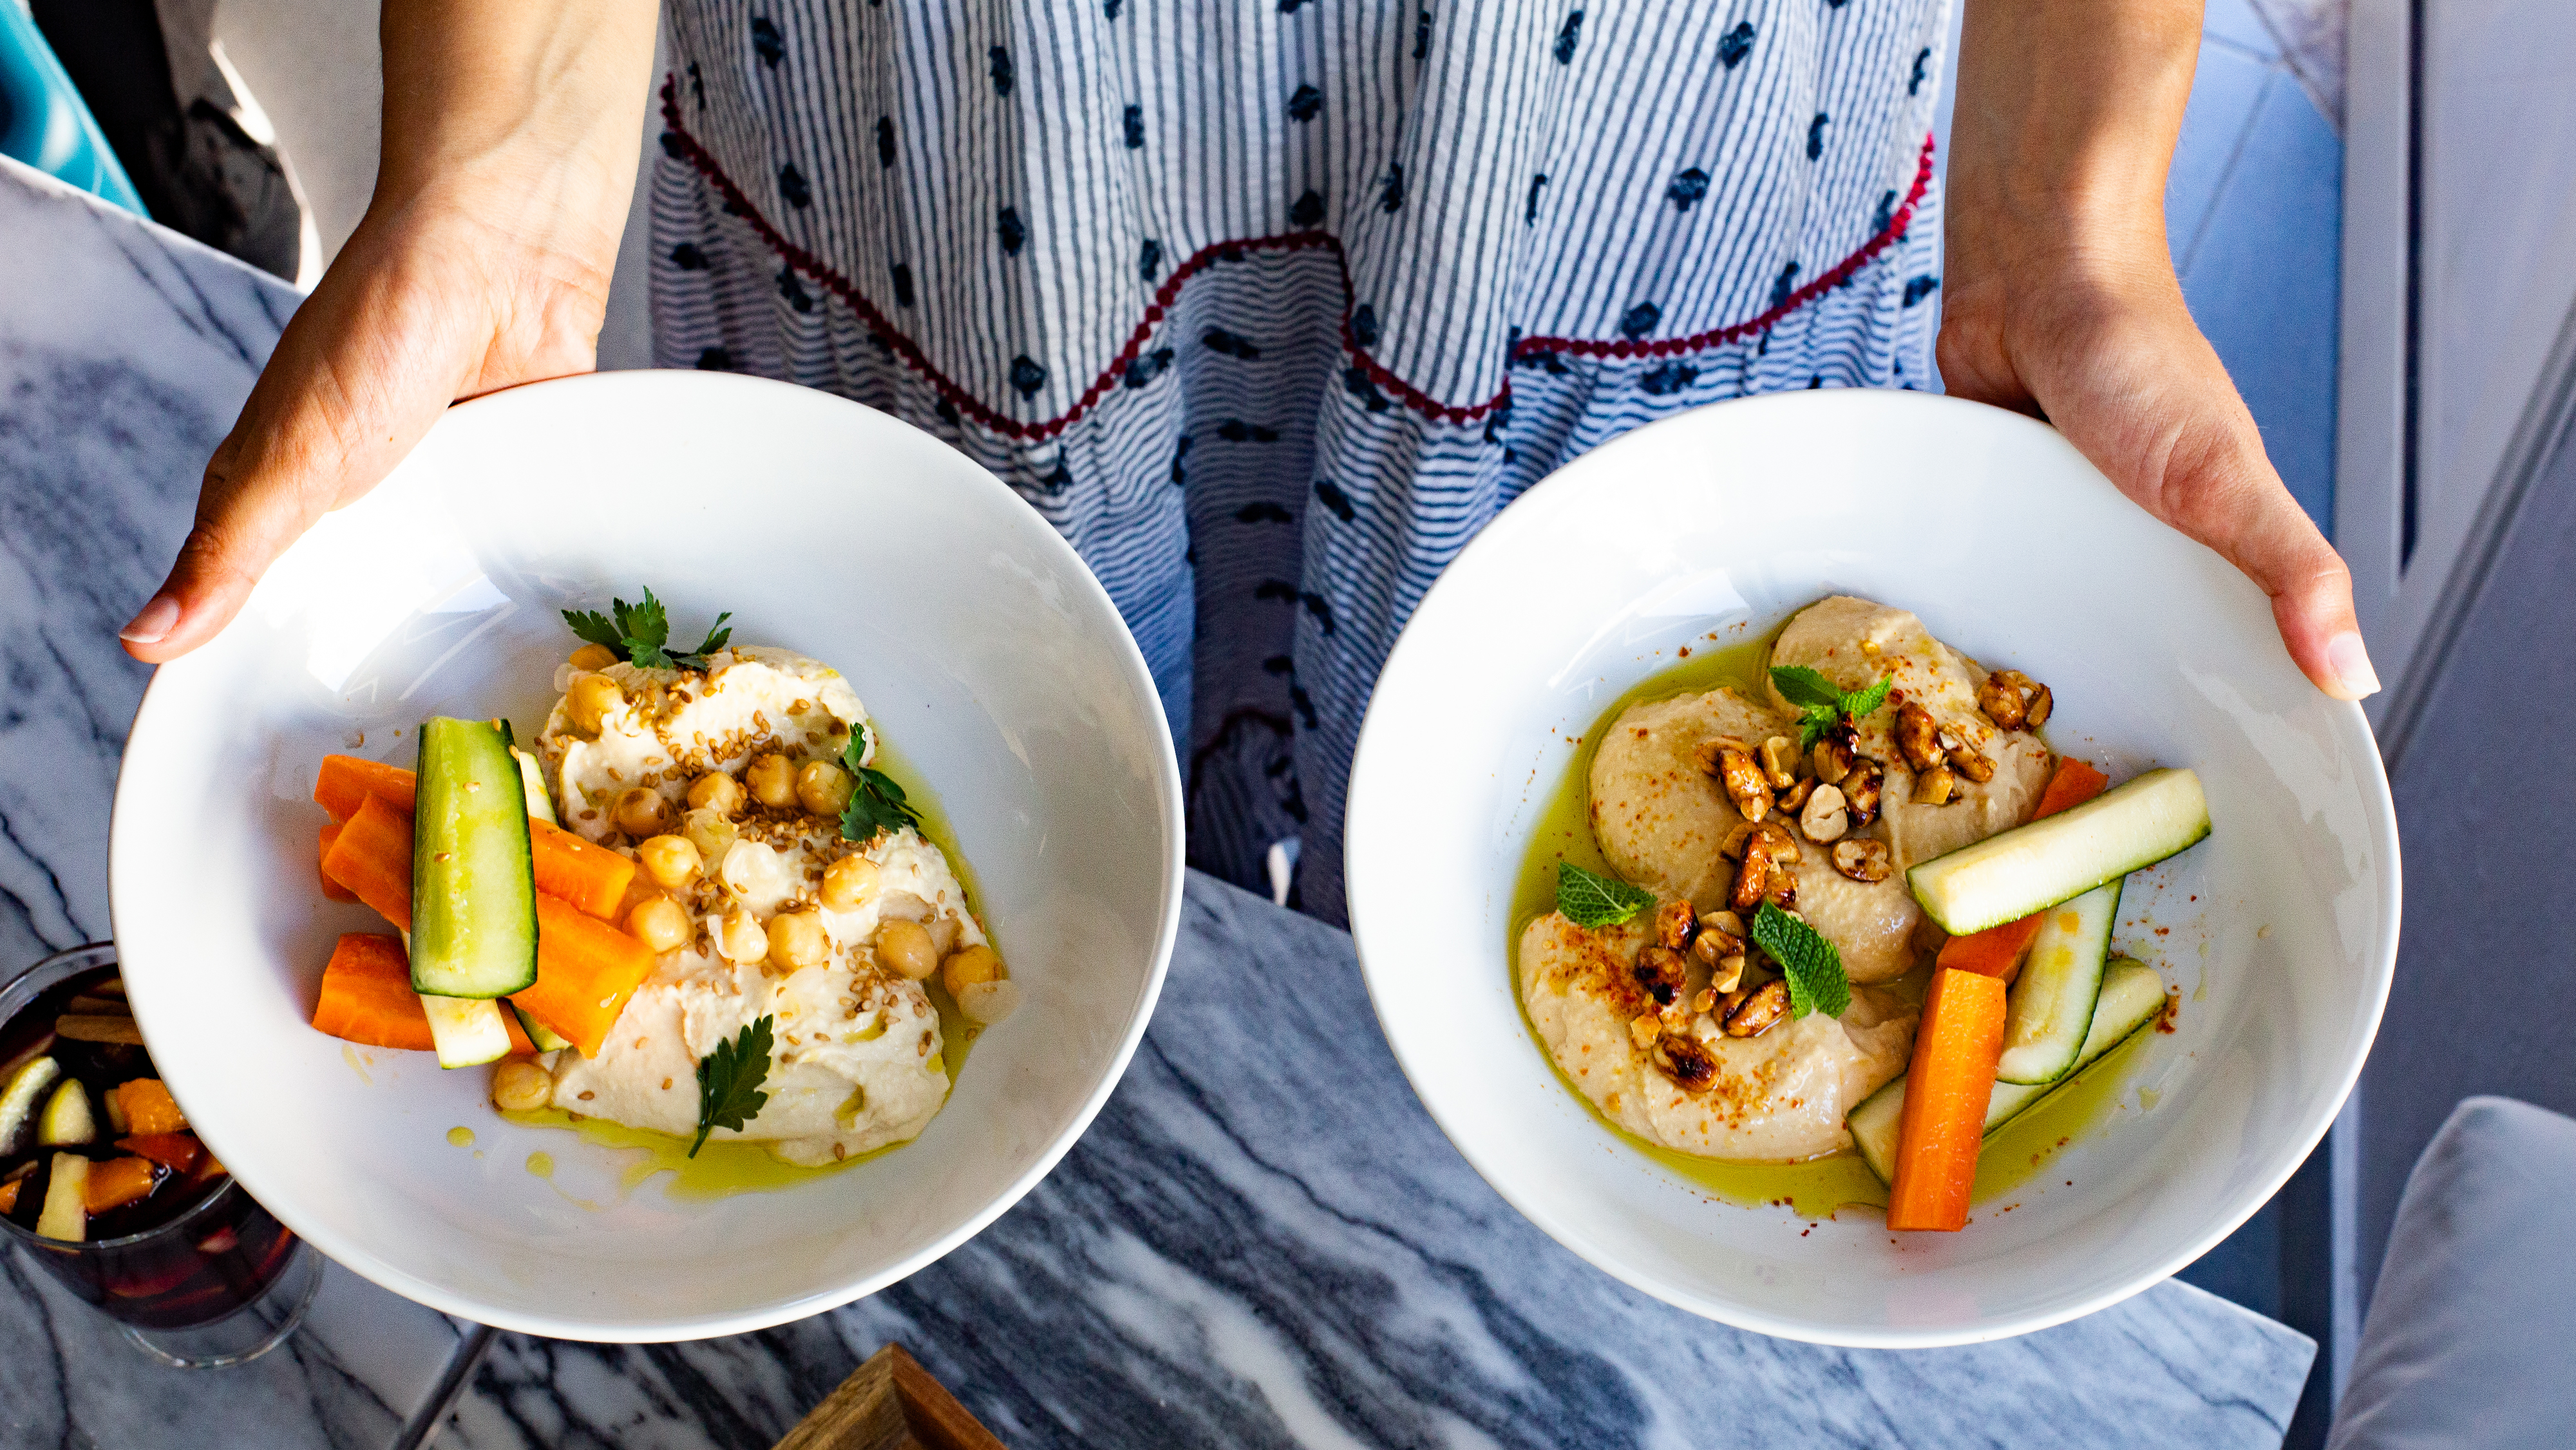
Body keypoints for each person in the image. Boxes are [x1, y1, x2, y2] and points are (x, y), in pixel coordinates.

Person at [117, 0, 2374, 921]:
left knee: (1634, 898)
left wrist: (2069, 226)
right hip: (959, 116)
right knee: (957, 886)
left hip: (1635, 119)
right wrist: (498, 182)